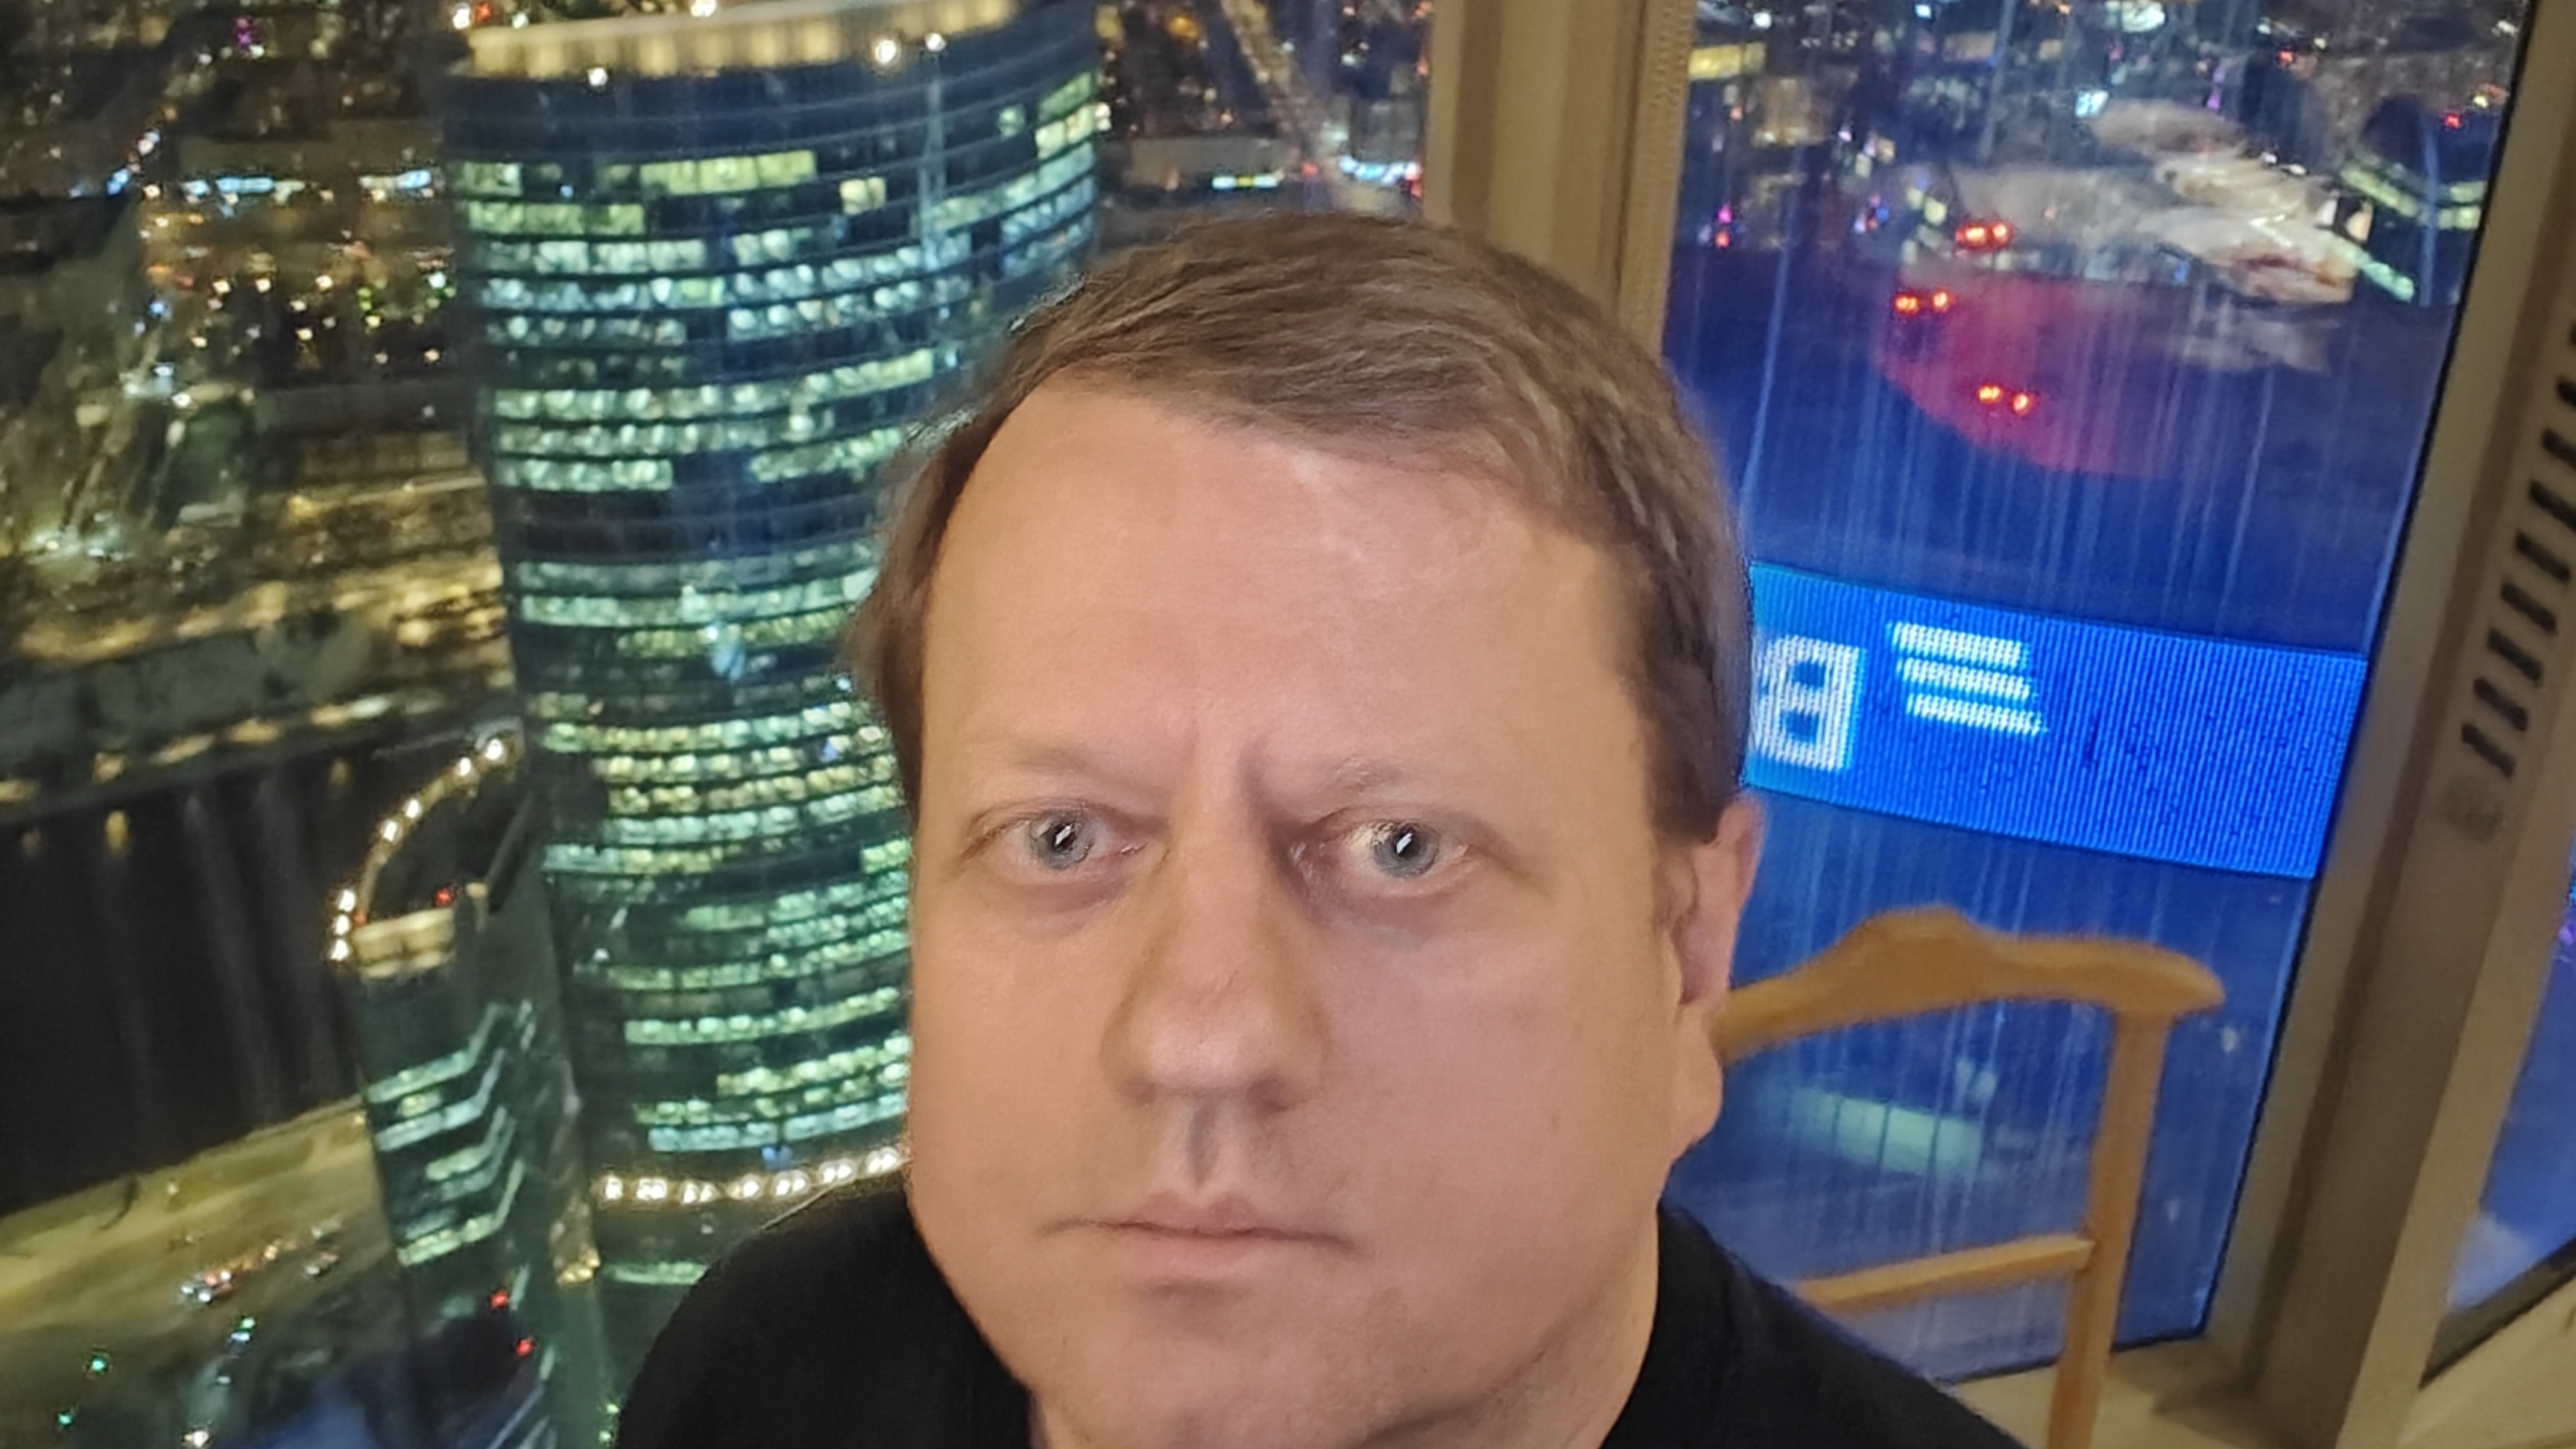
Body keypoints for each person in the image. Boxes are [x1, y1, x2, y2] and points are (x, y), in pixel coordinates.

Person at [615, 212, 2021, 1449]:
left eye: (1398, 847)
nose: (1198, 1038)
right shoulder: (767, 1372)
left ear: (1688, 953)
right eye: (1058, 839)